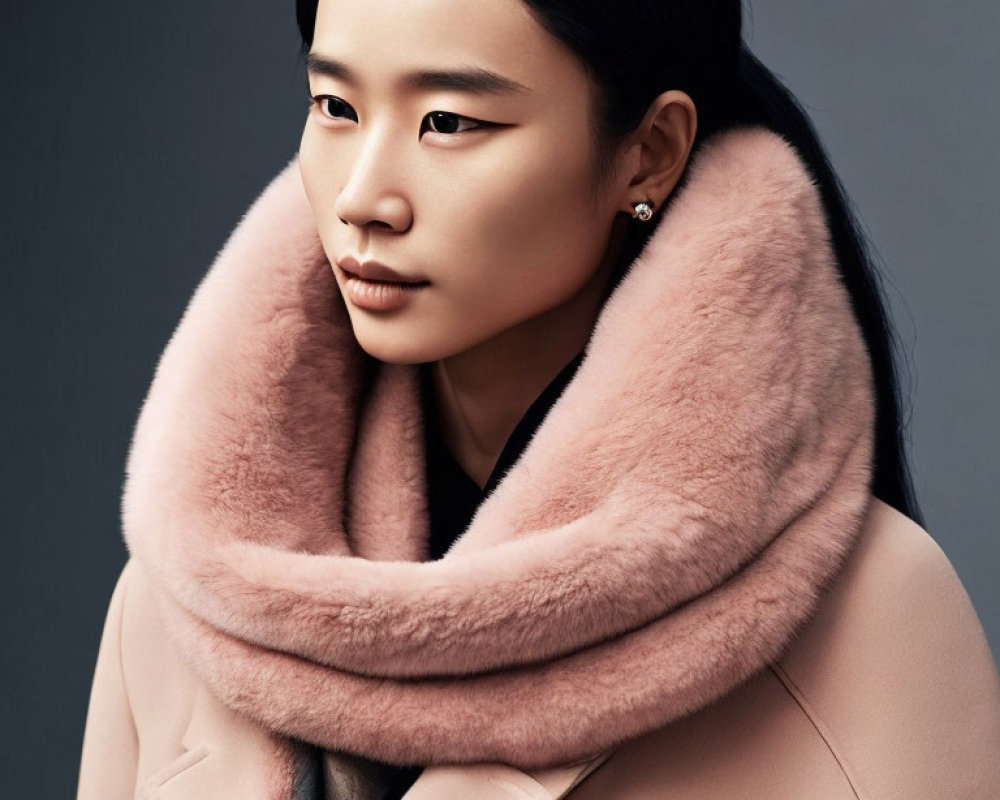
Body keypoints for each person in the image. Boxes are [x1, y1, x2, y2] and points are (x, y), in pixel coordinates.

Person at [76, 1, 1000, 799]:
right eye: (335, 106)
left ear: (648, 153)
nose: (362, 197)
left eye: (447, 121)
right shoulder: (183, 605)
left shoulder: (874, 621)